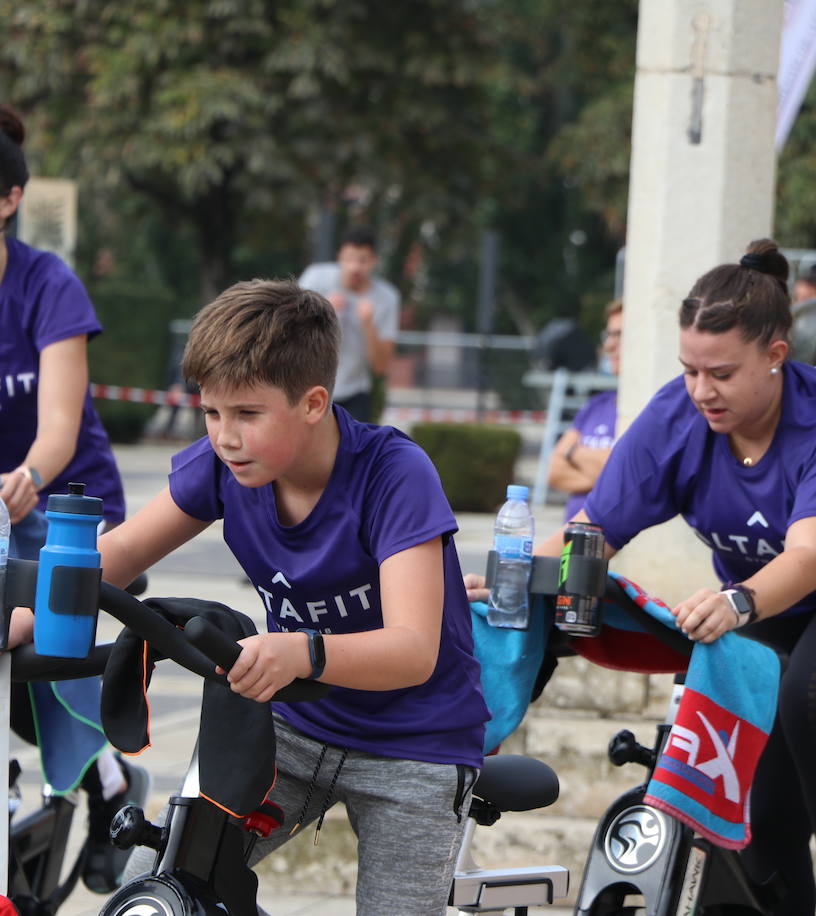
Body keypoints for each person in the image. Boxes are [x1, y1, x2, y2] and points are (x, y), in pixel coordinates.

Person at [476, 240, 816, 916]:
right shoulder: (678, 415)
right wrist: (513, 578)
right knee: (756, 813)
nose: (702, 391)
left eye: (722, 374)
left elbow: (810, 559)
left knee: (812, 697)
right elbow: (593, 532)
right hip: (773, 598)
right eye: (690, 371)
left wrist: (735, 602)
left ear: (776, 354)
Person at [17, 279, 487, 912]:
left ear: (314, 402)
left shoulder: (393, 473)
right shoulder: (225, 467)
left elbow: (412, 652)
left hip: (416, 742)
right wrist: (27, 612)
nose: (224, 436)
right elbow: (120, 555)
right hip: (292, 723)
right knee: (153, 888)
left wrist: (303, 652)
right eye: (211, 413)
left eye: (246, 414)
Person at [0, 102, 150, 894]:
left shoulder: (45, 283)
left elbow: (58, 428)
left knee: (40, 637)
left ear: (8, 200)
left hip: (69, 509)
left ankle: (109, 782)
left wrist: (25, 477)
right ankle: (101, 784)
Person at [298, 226, 399, 422]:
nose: (355, 267)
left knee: (351, 452)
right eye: (349, 259)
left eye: (363, 261)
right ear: (340, 257)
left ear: (374, 261)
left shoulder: (387, 298)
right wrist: (322, 310)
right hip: (309, 386)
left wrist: (369, 325)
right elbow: (286, 329)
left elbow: (381, 366)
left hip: (355, 393)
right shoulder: (315, 278)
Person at [546, 300, 622, 521]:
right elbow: (554, 471)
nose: (609, 345)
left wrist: (575, 454)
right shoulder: (596, 405)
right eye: (608, 335)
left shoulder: (652, 409)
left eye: (619, 335)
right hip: (571, 542)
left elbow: (628, 477)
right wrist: (608, 476)